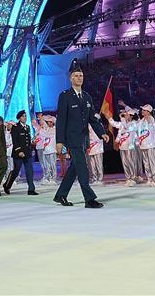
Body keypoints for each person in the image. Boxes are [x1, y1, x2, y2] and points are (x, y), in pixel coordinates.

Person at [53, 58, 110, 208]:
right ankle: (89, 199)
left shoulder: (87, 97)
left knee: (75, 168)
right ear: (71, 78)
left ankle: (61, 195)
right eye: (77, 75)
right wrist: (59, 141)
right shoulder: (64, 96)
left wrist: (101, 132)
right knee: (83, 167)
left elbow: (92, 118)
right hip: (72, 139)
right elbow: (61, 120)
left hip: (84, 138)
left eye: (81, 76)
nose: (80, 78)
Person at [4, 111, 38, 195]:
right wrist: (19, 151)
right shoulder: (16, 127)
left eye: (26, 116)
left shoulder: (27, 127)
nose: (25, 118)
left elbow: (28, 140)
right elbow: (15, 140)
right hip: (18, 153)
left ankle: (31, 189)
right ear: (19, 118)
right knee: (16, 171)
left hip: (27, 153)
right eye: (23, 116)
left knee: (29, 170)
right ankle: (7, 185)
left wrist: (31, 149)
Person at [110, 107, 139, 186]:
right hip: (122, 146)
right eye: (125, 114)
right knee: (125, 163)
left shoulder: (134, 123)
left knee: (131, 162)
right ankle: (128, 178)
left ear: (131, 116)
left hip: (130, 146)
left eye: (127, 115)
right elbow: (115, 124)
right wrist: (109, 117)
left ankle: (133, 178)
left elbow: (127, 128)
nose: (125, 116)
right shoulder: (122, 124)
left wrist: (122, 119)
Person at [135, 105, 155, 186]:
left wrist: (149, 121)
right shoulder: (141, 120)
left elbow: (154, 129)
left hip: (150, 144)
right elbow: (136, 129)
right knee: (146, 163)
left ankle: (154, 180)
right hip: (143, 145)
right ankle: (149, 178)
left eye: (144, 110)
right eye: (142, 110)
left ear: (148, 112)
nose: (142, 111)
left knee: (152, 162)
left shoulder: (151, 119)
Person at [33, 113, 58, 186]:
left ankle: (53, 179)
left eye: (48, 122)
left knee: (53, 164)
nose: (47, 123)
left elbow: (46, 135)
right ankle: (48, 177)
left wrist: (39, 128)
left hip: (52, 149)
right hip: (45, 150)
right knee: (47, 165)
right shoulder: (45, 130)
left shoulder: (53, 129)